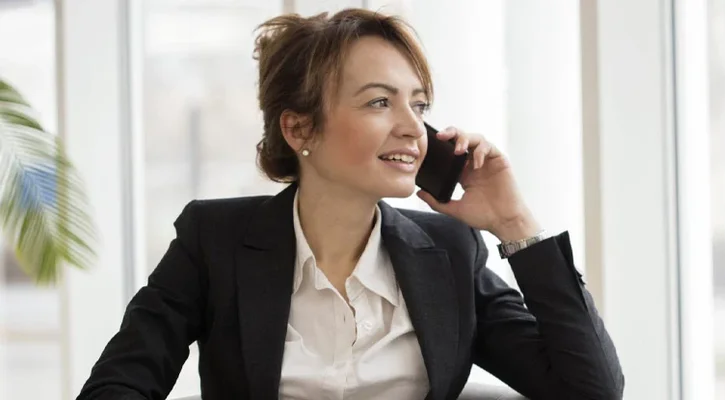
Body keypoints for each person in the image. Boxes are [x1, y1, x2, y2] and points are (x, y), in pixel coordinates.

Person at [75, 8, 623, 400]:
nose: (414, 128)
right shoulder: (213, 240)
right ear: (298, 127)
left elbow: (590, 390)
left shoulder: (450, 252)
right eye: (380, 102)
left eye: (420, 103)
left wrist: (513, 222)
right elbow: (120, 383)